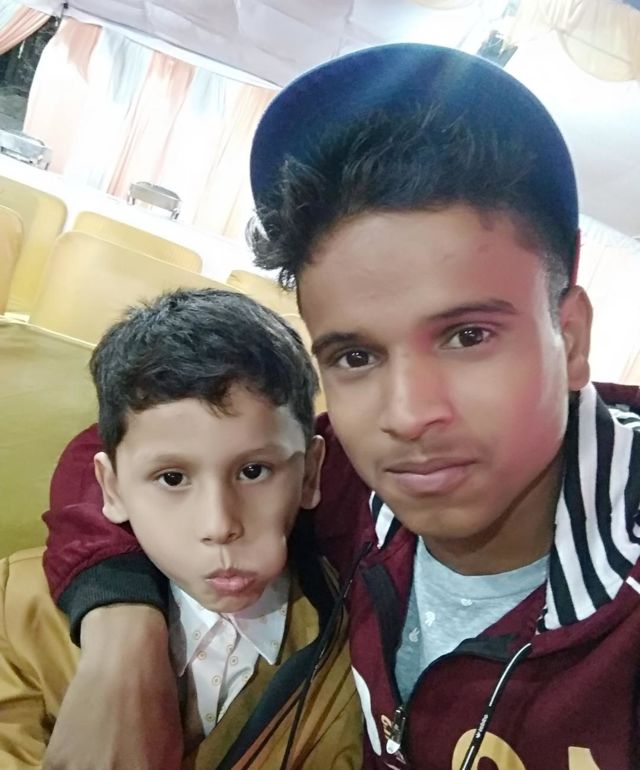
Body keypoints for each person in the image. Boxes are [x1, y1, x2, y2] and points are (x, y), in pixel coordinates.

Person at [41, 43, 640, 770]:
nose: (408, 415)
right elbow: (119, 451)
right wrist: (122, 639)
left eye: (468, 336)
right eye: (356, 357)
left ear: (570, 338)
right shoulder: (348, 486)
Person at [0, 289, 361, 770]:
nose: (219, 525)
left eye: (254, 471)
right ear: (111, 488)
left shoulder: (358, 648)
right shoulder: (19, 608)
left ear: (311, 473)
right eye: (172, 479)